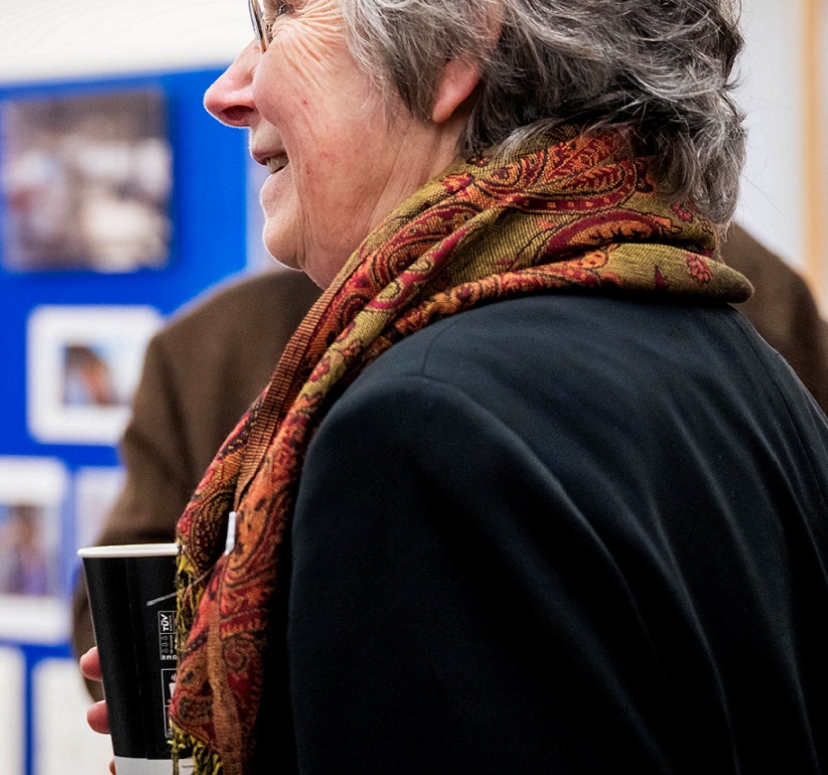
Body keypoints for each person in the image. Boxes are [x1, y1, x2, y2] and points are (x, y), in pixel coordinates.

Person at [80, 0, 828, 773]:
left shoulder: (426, 426)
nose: (229, 89)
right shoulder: (735, 365)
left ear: (451, 49)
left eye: (281, 11)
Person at [71, 224, 828, 663]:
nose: (238, 89)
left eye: (291, 14)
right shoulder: (208, 348)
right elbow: (123, 595)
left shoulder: (752, 293)